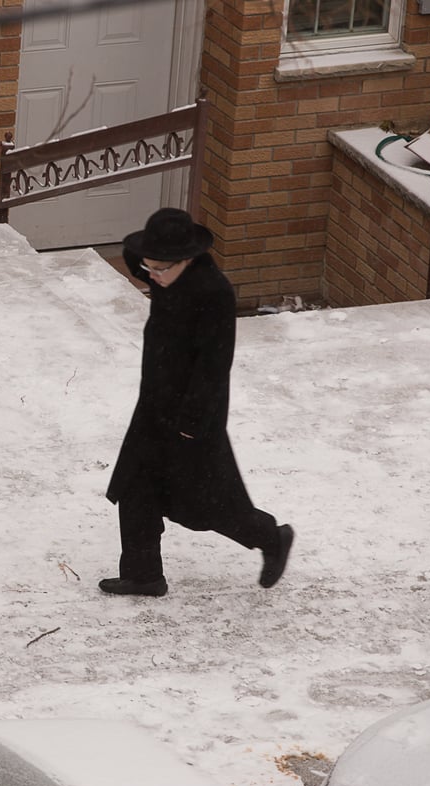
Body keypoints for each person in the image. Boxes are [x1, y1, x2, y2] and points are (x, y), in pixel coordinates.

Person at [99, 208, 294, 597]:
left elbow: (213, 366)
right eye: (147, 265)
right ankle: (144, 575)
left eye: (158, 268)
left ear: (186, 260)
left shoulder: (213, 294)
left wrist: (191, 423)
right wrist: (147, 253)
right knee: (137, 487)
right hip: (153, 408)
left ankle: (271, 538)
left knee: (206, 505)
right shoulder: (165, 275)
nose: (149, 275)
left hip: (192, 419)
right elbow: (135, 258)